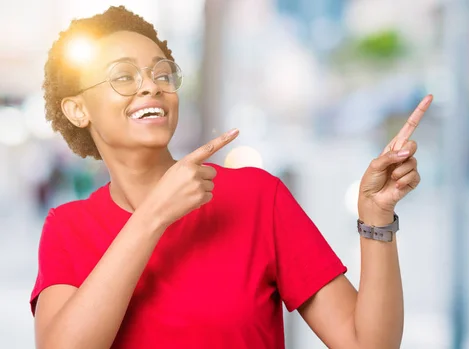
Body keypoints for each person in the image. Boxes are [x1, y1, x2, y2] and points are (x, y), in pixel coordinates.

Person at [30, 6, 432, 349]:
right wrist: (153, 217)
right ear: (77, 110)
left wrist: (376, 218)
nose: (151, 86)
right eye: (123, 77)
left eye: (163, 74)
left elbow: (367, 342)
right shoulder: (67, 229)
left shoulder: (256, 197)